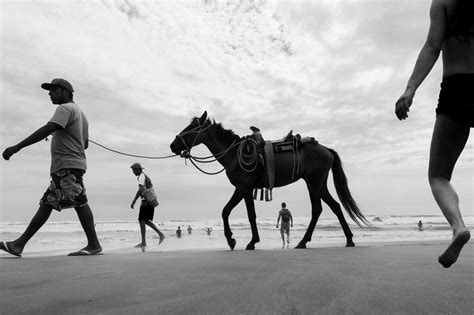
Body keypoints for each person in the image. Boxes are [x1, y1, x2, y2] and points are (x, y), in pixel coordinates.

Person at [395, 0, 472, 268]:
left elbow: (432, 47)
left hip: (456, 89)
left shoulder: (442, 2)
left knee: (439, 175)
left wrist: (410, 89)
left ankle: (458, 226)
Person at [1, 78, 102, 257]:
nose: (50, 93)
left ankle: (93, 245)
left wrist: (17, 147)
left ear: (65, 91)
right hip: (72, 164)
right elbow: (85, 144)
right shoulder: (81, 113)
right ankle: (19, 244)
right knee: (59, 203)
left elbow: (47, 129)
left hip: (67, 165)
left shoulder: (65, 109)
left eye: (54, 90)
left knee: (65, 202)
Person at [131, 163, 165, 248]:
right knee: (144, 220)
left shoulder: (142, 176)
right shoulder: (143, 176)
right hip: (149, 201)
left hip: (146, 202)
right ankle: (159, 235)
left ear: (138, 169)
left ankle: (145, 242)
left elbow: (140, 190)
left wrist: (134, 200)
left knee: (142, 220)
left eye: (134, 170)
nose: (133, 172)